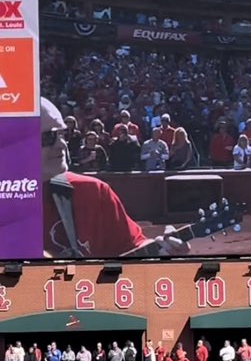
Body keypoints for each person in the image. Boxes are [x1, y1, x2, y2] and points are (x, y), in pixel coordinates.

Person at [40, 98, 189, 258]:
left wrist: (162, 250)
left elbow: (131, 246)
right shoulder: (8, 204)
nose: (62, 145)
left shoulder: (93, 192)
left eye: (62, 135)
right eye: (49, 137)